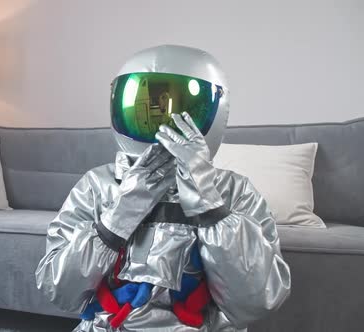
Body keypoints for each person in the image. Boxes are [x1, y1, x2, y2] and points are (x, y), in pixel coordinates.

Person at [35, 45, 291, 332]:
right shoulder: (97, 186)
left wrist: (210, 207)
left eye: (180, 113)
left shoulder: (234, 191)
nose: (161, 125)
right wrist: (119, 215)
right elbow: (59, 290)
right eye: (149, 107)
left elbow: (256, 302)